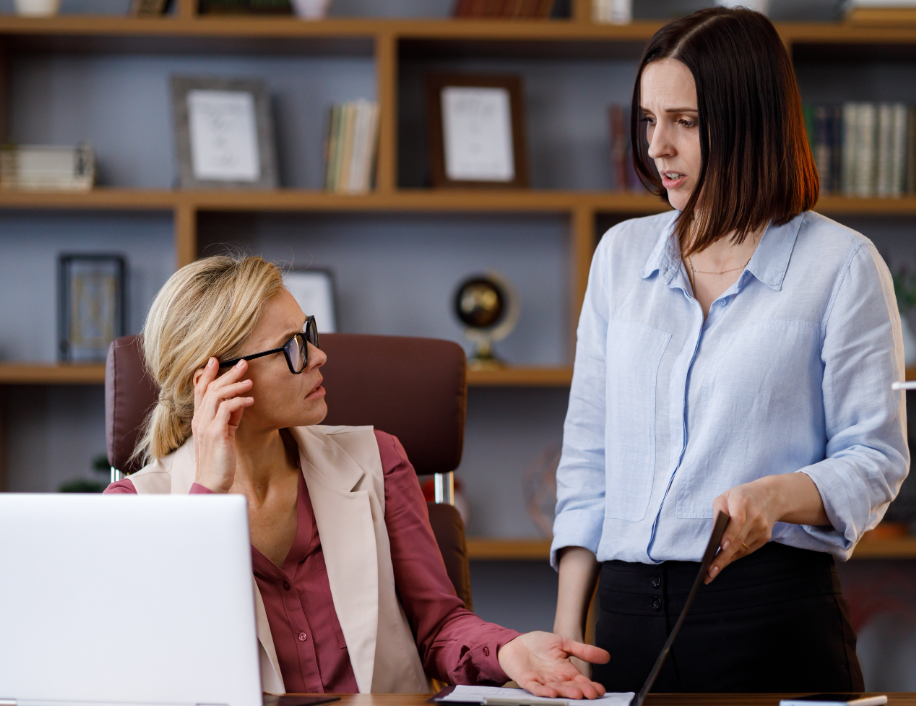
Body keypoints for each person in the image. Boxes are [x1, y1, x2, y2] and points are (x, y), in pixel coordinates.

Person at [551, 7, 909, 694]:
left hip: (767, 614)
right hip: (621, 621)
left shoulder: (842, 265)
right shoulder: (619, 256)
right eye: (649, 119)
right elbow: (589, 452)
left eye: (685, 121)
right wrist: (569, 630)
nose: (658, 147)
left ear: (749, 121)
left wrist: (773, 497)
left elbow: (876, 458)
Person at [106, 254, 609, 697]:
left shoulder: (377, 459)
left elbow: (438, 629)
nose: (320, 356)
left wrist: (508, 653)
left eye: (310, 334)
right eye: (292, 347)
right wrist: (206, 497)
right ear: (215, 380)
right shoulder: (135, 509)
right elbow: (158, 670)